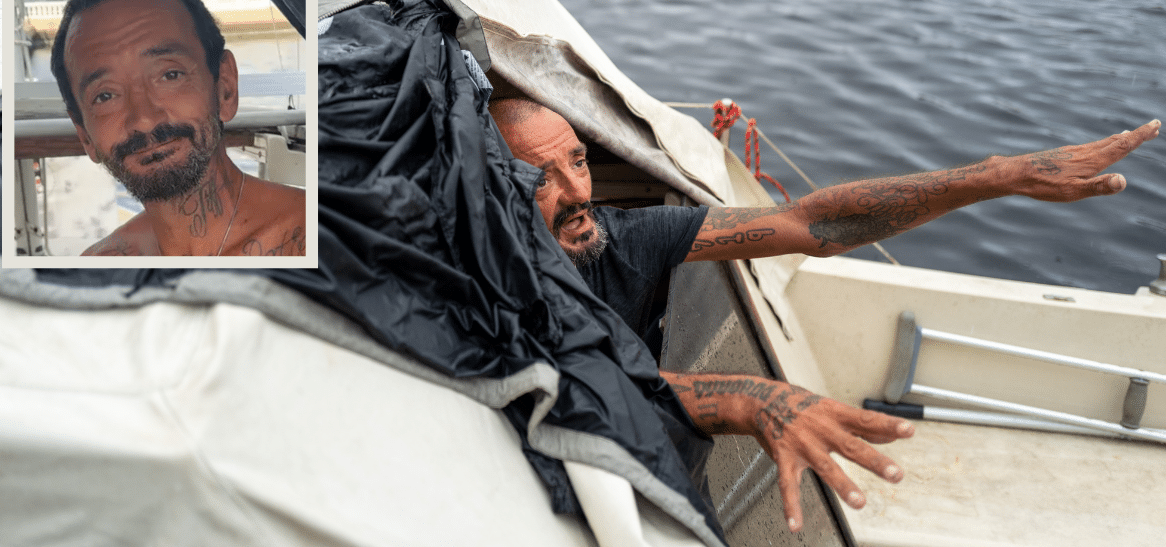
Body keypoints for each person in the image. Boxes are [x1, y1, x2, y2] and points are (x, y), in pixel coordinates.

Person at [490, 96, 1160, 532]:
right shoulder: (478, 278)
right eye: (541, 177)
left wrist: (996, 177)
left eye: (578, 159)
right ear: (493, 191)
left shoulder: (624, 239)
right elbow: (559, 371)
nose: (578, 191)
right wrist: (747, 399)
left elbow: (809, 222)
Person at [50, 0, 305, 257]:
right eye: (105, 96)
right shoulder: (96, 271)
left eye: (170, 75)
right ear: (84, 136)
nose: (144, 119)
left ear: (225, 88)